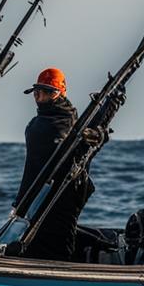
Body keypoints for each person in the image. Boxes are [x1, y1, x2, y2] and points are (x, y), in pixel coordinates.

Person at [12, 67, 94, 261]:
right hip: (33, 203)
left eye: (44, 92)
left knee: (56, 247)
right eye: (36, 92)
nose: (38, 97)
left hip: (59, 203)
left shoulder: (65, 125)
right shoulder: (37, 125)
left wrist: (99, 135)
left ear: (57, 94)